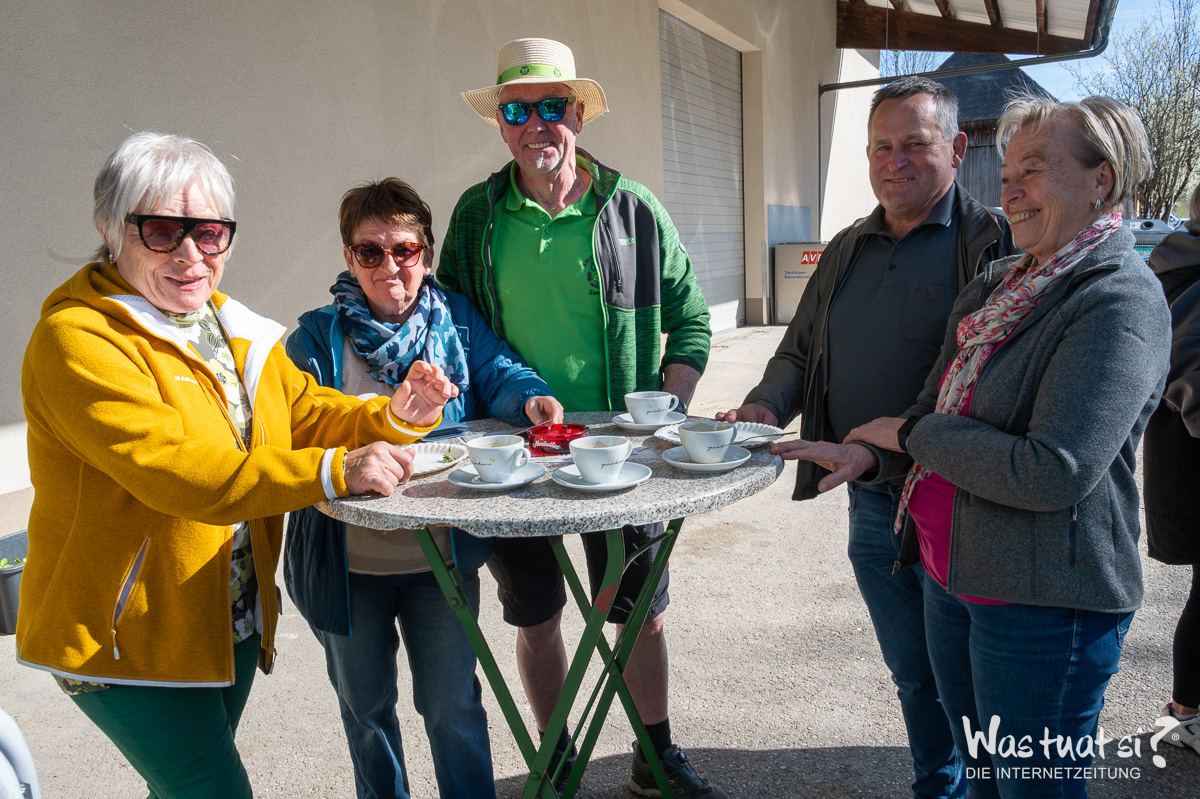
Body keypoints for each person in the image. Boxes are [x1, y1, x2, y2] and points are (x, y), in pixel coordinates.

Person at [17, 132, 459, 799]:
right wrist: (334, 471)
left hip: (228, 619)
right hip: (125, 635)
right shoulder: (77, 338)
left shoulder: (227, 323)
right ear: (110, 228)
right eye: (161, 231)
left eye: (209, 233)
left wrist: (393, 413)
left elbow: (304, 409)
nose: (190, 255)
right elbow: (179, 470)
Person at [784, 95, 1168, 798]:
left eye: (1034, 170)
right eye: (1008, 172)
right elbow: (932, 403)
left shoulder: (1117, 298)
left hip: (1043, 604)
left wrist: (911, 435)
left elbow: (1053, 470)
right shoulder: (1001, 284)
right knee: (984, 779)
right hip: (950, 574)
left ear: (1102, 179)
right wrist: (871, 454)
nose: (1010, 190)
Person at [439, 37, 718, 798]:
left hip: (621, 449)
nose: (536, 124)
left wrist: (668, 412)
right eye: (517, 111)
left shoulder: (632, 207)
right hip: (513, 448)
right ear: (501, 125)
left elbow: (691, 319)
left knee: (640, 613)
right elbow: (450, 326)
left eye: (552, 106)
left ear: (580, 115)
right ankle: (557, 755)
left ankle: (654, 757)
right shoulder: (476, 215)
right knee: (535, 617)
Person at [719, 76, 1013, 799]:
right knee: (913, 672)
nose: (895, 160)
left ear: (957, 147)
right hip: (874, 503)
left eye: (915, 143)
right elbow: (798, 349)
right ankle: (935, 786)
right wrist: (765, 405)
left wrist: (893, 444)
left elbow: (982, 379)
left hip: (958, 503)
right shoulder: (848, 246)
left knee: (973, 677)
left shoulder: (994, 244)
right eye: (882, 146)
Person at [283, 177, 562, 799]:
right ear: (349, 258)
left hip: (440, 555)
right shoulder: (314, 339)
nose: (389, 266)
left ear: (427, 255)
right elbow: (290, 429)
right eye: (370, 251)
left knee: (452, 706)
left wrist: (529, 398)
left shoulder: (455, 318)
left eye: (404, 250)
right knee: (366, 713)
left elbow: (499, 370)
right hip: (348, 565)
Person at [1145, 183, 1200, 753]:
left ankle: (1186, 711)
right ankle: (1186, 714)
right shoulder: (1190, 274)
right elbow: (1189, 369)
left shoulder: (1173, 264)